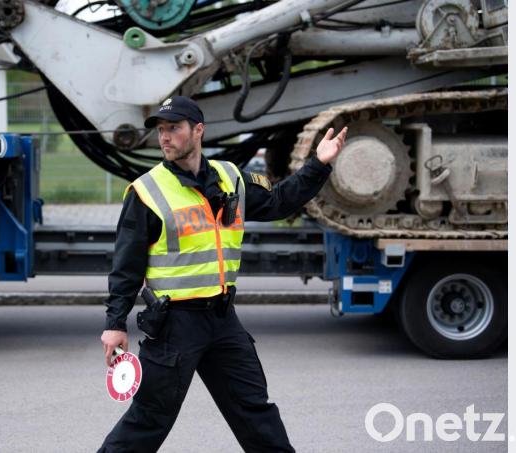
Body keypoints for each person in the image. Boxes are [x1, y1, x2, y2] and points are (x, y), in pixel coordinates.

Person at [98, 95, 347, 452]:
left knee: (255, 413)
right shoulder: (147, 192)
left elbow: (279, 201)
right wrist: (115, 322)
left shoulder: (231, 178)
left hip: (222, 319)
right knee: (149, 419)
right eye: (161, 130)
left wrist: (318, 164)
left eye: (174, 128)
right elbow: (126, 266)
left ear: (198, 130)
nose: (164, 137)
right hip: (175, 324)